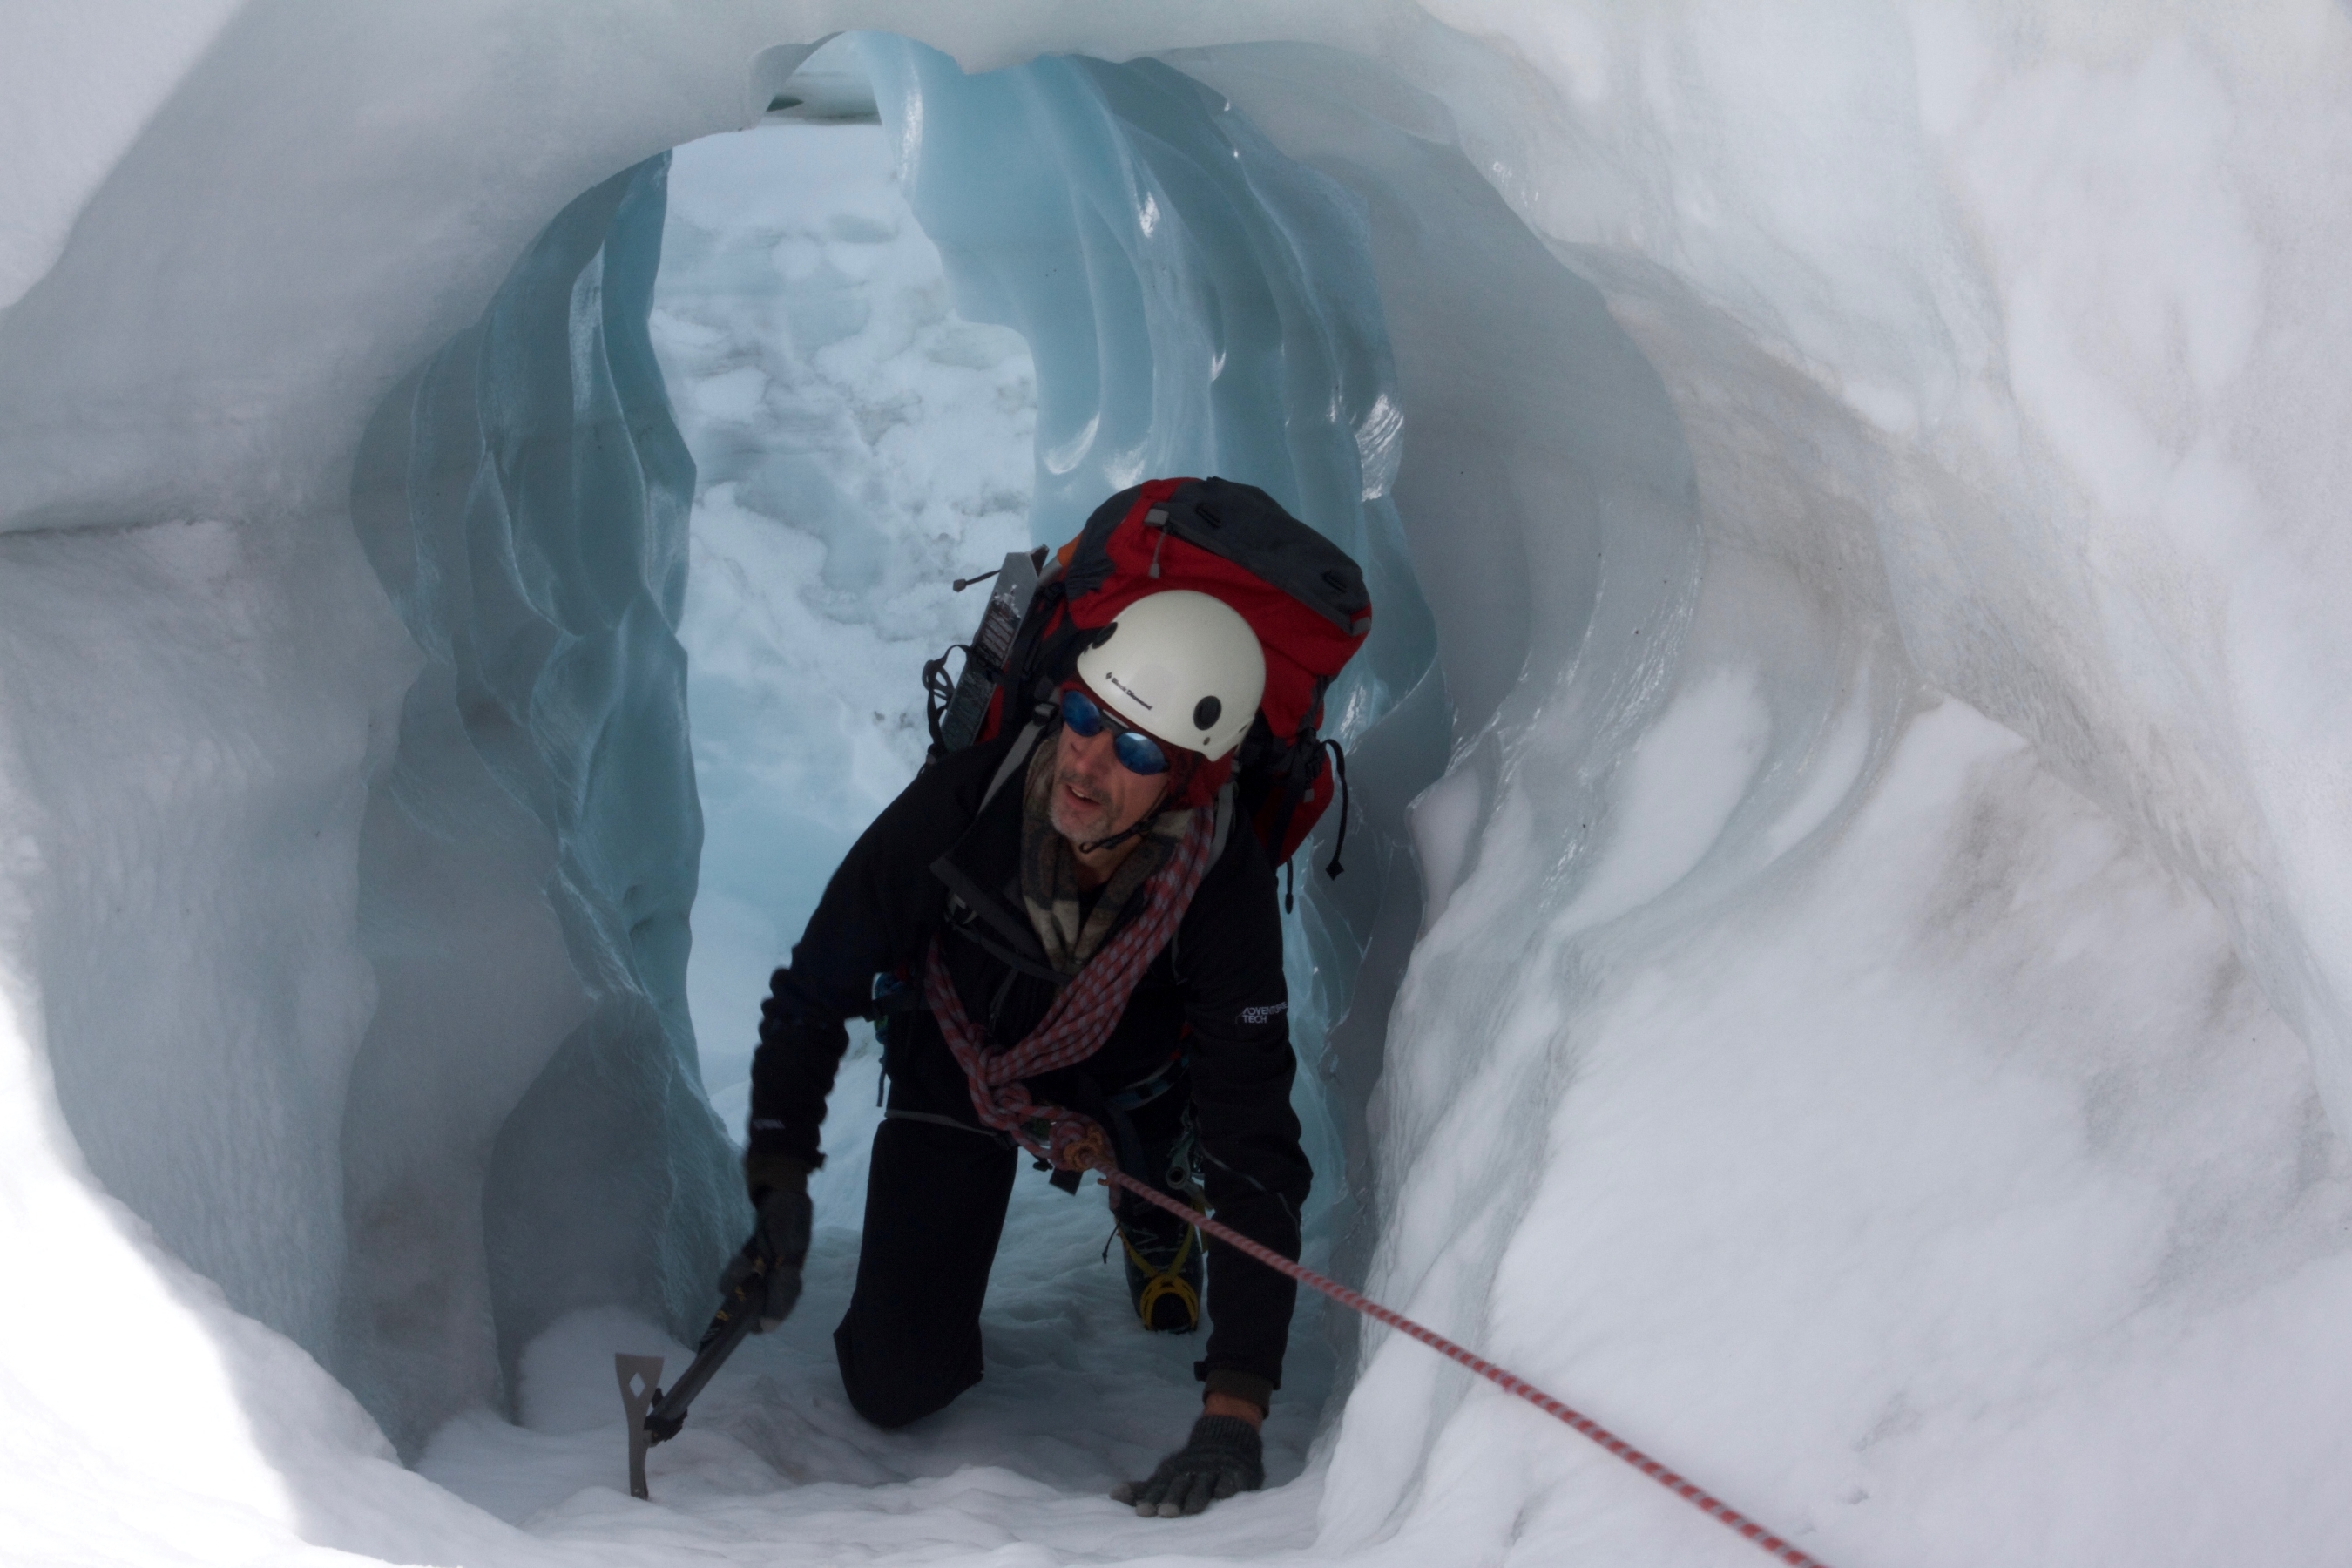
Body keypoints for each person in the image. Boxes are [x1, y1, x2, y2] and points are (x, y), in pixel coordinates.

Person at [733, 587, 1312, 1518]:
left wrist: (1234, 1413)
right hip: (960, 1060)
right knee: (892, 1387)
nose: (1085, 762)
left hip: (1125, 1081)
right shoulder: (971, 801)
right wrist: (779, 1179)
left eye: (1134, 750)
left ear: (1193, 778)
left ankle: (1151, 1193)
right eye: (1084, 716)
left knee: (1163, 1133)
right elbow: (815, 989)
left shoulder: (1218, 882)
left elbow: (1257, 1148)